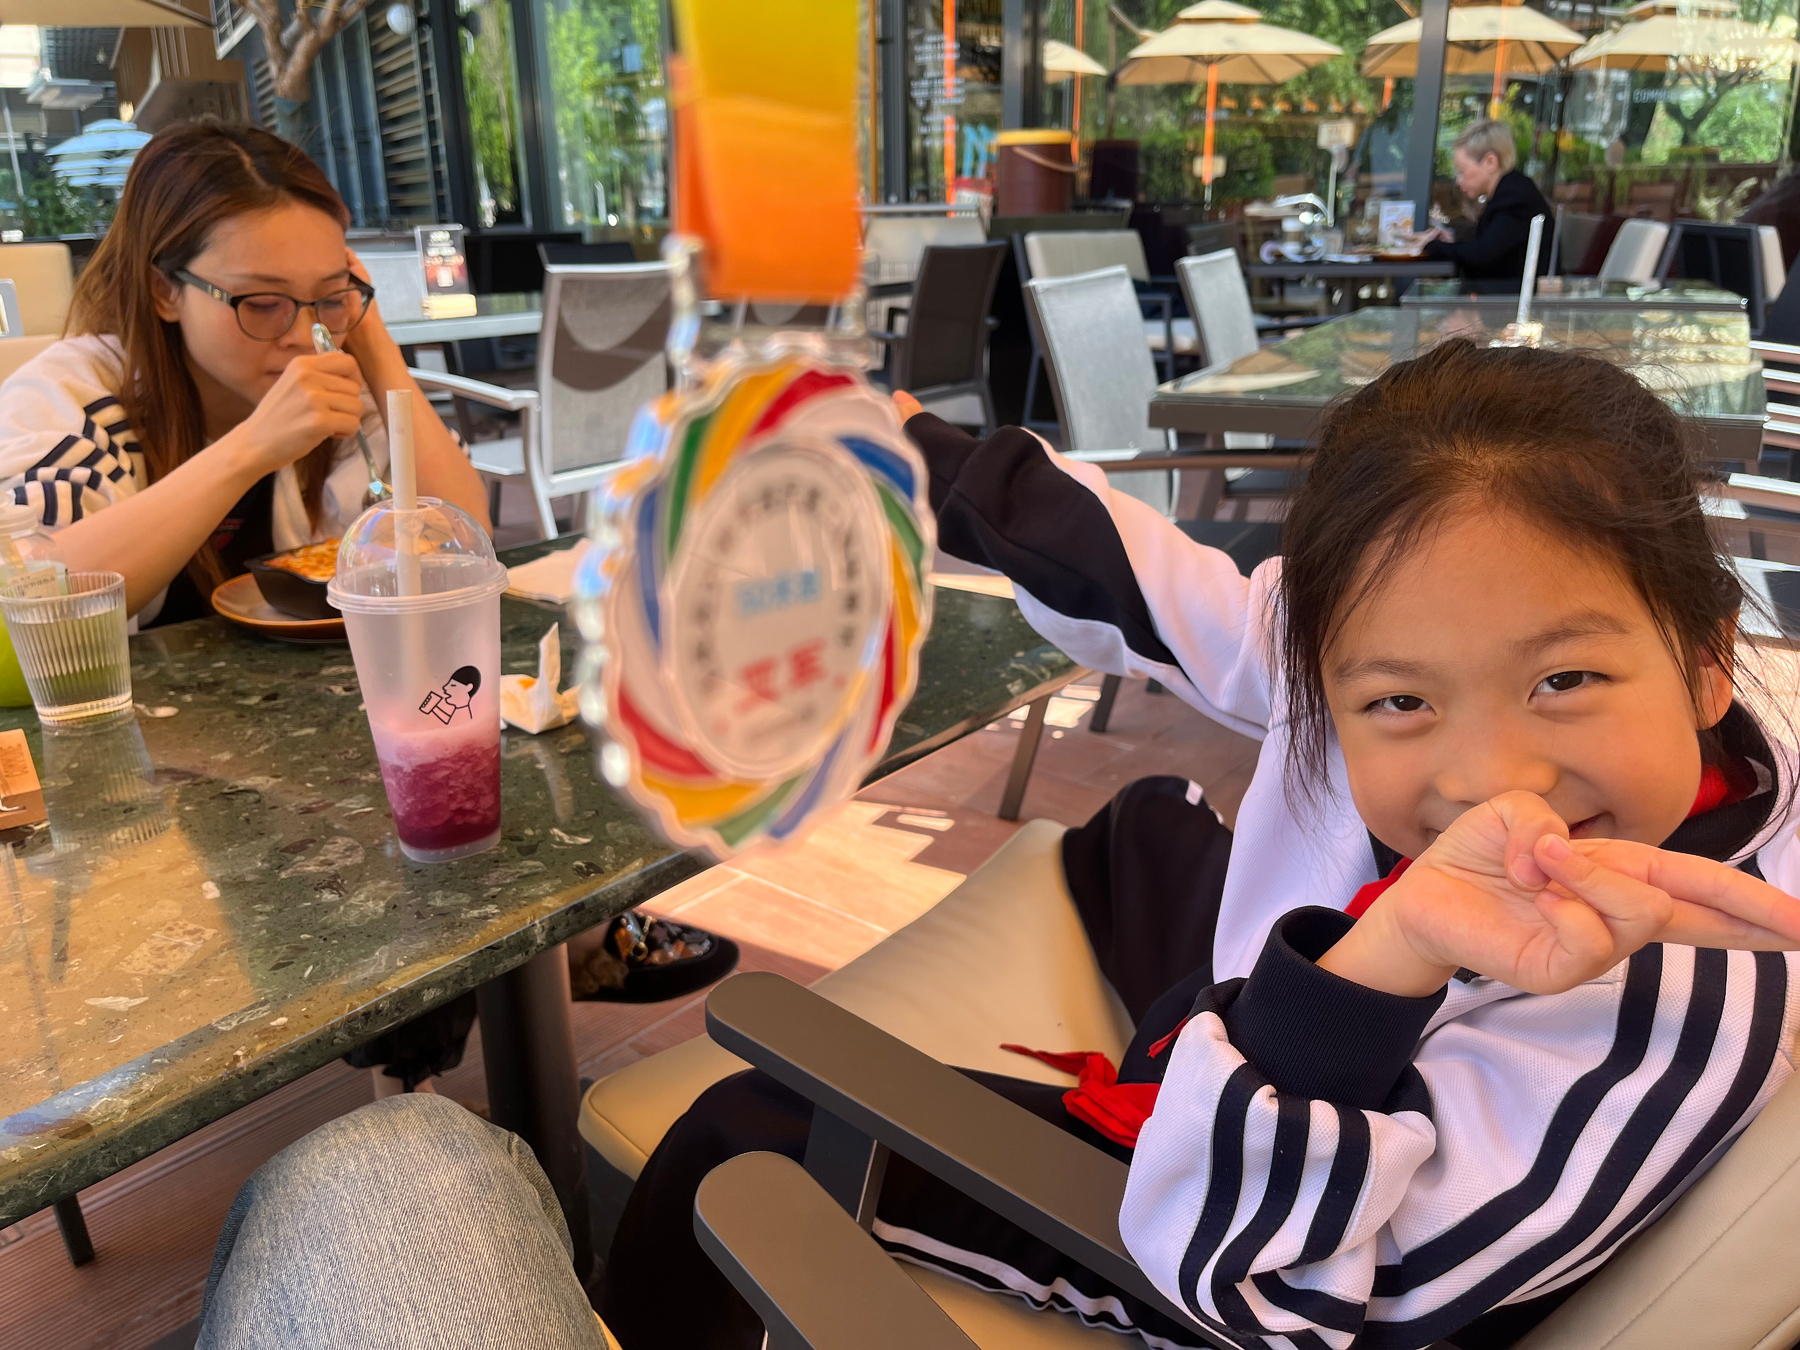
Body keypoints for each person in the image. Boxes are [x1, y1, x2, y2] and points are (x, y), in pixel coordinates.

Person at [192, 341, 1800, 1350]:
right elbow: (1157, 584)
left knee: (738, 1130)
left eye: (1566, 680)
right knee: (1146, 824)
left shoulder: (1670, 1009)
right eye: (1396, 696)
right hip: (1288, 1031)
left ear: (1709, 653)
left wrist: (1371, 970)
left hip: (1240, 1188)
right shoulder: (1552, 702)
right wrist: (911, 452)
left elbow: (1269, 1289)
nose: (1492, 775)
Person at [0, 118, 490, 626]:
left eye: (327, 296)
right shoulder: (76, 391)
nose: (304, 334)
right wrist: (252, 448)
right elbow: (36, 590)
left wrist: (371, 339)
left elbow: (463, 539)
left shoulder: (337, 376)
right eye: (261, 302)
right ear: (165, 291)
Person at [1414, 120, 1553, 288]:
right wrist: (1452, 243)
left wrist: (1431, 247)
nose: (1458, 180)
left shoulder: (1515, 197)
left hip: (1510, 304)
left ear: (1490, 162)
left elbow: (1482, 255)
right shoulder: (1510, 190)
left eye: (1462, 170)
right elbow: (1491, 247)